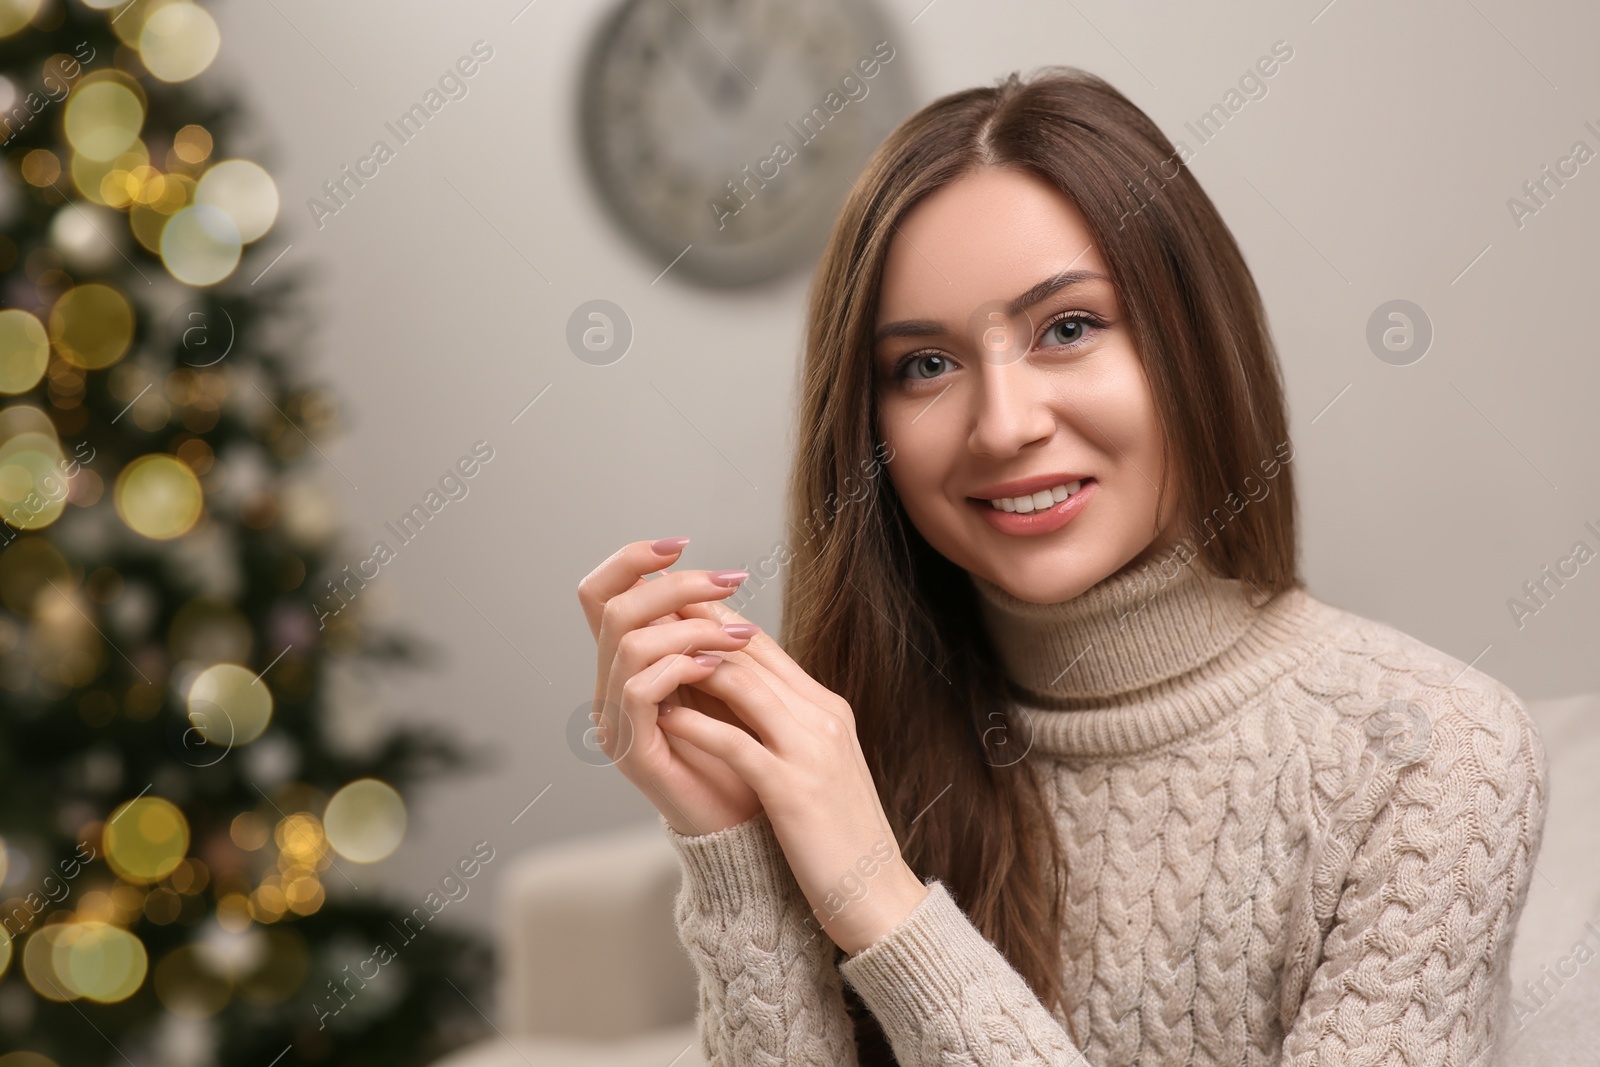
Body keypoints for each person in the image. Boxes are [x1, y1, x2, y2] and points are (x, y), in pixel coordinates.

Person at [576, 66, 1549, 1066]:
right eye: (925, 364)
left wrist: (882, 904)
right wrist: (734, 849)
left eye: (1069, 327)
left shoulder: (1435, 758)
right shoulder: (853, 750)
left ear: (1193, 344)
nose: (1004, 425)